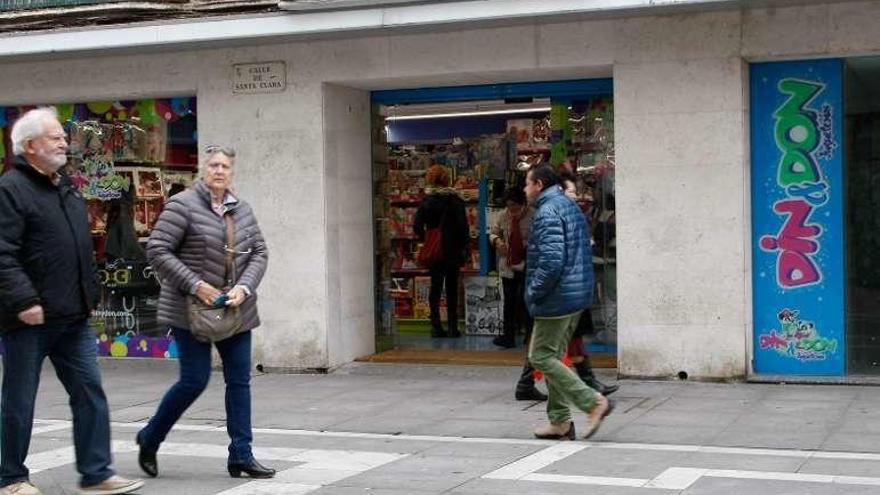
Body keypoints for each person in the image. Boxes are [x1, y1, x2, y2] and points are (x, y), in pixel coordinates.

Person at [0, 107, 144, 495]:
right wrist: (24, 300)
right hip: (29, 318)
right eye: (53, 136)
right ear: (30, 146)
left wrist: (91, 293)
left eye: (63, 135)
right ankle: (11, 478)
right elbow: (2, 253)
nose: (64, 141)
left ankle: (97, 472)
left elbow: (79, 248)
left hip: (74, 315)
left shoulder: (65, 187)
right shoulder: (11, 189)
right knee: (19, 400)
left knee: (89, 392)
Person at [136, 144, 273, 479]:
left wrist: (245, 286)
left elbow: (259, 252)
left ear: (232, 171)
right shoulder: (182, 206)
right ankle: (150, 437)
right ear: (202, 169)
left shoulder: (242, 210)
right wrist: (196, 284)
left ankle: (241, 454)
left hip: (235, 310)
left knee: (239, 381)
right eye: (213, 165)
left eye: (225, 165)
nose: (219, 170)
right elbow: (157, 249)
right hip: (190, 310)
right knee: (194, 380)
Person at [524, 164, 612, 440]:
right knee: (554, 357)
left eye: (527, 183)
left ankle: (592, 401)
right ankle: (560, 421)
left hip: (557, 296)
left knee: (540, 356)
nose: (524, 190)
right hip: (574, 294)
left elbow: (551, 261)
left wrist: (533, 291)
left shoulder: (548, 212)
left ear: (538, 184)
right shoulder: (568, 205)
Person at [559, 172, 619, 397]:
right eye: (571, 191)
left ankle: (588, 383)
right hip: (563, 288)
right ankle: (588, 392)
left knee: (566, 338)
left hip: (574, 285)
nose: (576, 195)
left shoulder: (576, 215)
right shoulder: (555, 216)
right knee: (547, 346)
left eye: (576, 191)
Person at [413, 164, 469, 338]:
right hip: (453, 250)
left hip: (435, 251)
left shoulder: (427, 202)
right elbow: (463, 228)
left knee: (435, 287)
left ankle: (436, 326)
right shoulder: (456, 201)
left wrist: (427, 238)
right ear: (447, 179)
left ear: (430, 179)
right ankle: (453, 327)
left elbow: (416, 226)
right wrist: (463, 247)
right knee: (452, 288)